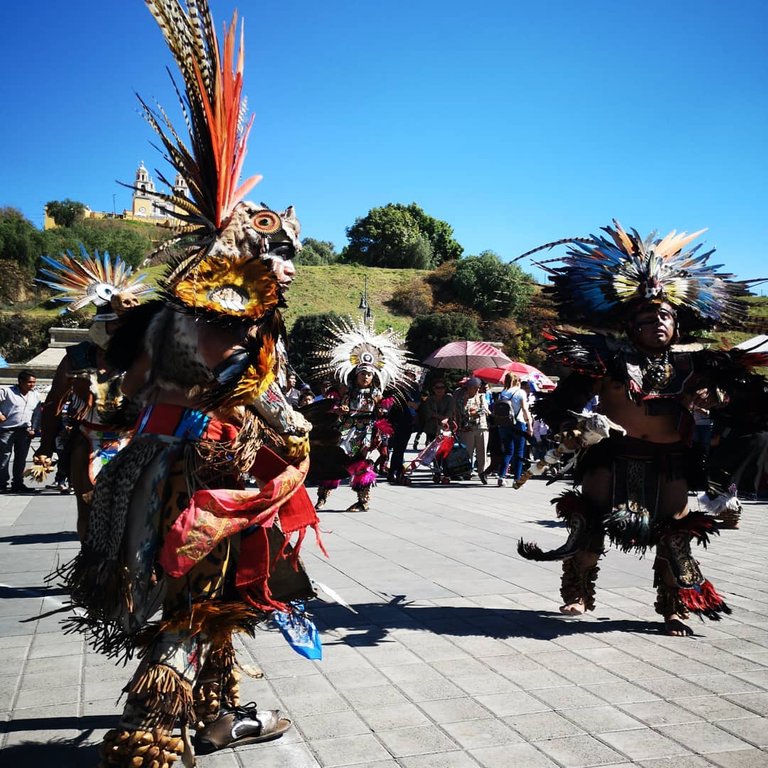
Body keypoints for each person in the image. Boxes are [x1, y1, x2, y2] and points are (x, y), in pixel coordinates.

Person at [57, 3, 321, 764]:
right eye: (277, 252)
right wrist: (295, 430)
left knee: (219, 602)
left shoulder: (180, 307)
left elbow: (140, 386)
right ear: (239, 246)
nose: (289, 269)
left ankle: (220, 707)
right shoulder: (220, 315)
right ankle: (151, 727)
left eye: (292, 255)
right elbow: (240, 395)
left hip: (164, 469)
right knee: (191, 603)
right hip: (196, 480)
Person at [517, 222, 767, 636]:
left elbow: (748, 405)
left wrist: (717, 399)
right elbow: (560, 404)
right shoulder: (603, 356)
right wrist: (576, 427)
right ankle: (577, 594)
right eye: (647, 315)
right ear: (631, 323)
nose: (658, 322)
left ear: (679, 323)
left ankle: (674, 607)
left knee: (676, 533)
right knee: (589, 523)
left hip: (670, 460)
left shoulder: (699, 362)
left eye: (665, 314)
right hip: (611, 454)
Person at [34, 247, 152, 539]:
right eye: (119, 324)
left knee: (138, 511)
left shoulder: (143, 358)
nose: (127, 331)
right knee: (87, 506)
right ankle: (91, 568)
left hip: (133, 440)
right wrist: (46, 447)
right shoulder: (77, 358)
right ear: (103, 323)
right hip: (89, 439)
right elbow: (53, 405)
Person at [310, 318, 410, 511]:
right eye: (363, 374)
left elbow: (383, 411)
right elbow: (333, 407)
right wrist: (339, 409)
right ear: (355, 375)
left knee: (363, 465)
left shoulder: (376, 394)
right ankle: (322, 497)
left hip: (365, 432)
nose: (366, 377)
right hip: (344, 430)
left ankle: (363, 501)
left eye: (369, 374)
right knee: (333, 462)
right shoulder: (346, 392)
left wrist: (380, 412)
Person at [0, 370, 41, 493]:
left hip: (25, 431)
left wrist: (34, 428)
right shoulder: (7, 392)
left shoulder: (35, 395)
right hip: (6, 430)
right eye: (29, 382)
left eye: (34, 382)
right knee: (4, 458)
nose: (32, 385)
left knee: (21, 459)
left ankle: (18, 483)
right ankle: (2, 484)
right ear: (20, 382)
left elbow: (37, 413)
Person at [494, 373, 533, 486]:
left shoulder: (503, 393)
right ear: (518, 381)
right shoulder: (521, 392)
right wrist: (529, 424)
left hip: (504, 424)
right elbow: (525, 409)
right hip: (518, 424)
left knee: (508, 451)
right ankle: (517, 478)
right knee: (519, 452)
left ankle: (501, 476)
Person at [455, 376, 490, 483]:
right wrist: (466, 406)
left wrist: (474, 412)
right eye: (474, 387)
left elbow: (485, 410)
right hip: (467, 429)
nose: (477, 389)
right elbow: (460, 412)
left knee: (482, 451)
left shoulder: (481, 397)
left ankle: (482, 472)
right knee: (467, 452)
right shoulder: (462, 398)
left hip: (481, 427)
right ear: (469, 387)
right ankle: (467, 471)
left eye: (478, 387)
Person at [421, 380, 457, 482]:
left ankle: (446, 473)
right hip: (432, 429)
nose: (440, 390)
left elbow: (450, 411)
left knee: (445, 451)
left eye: (442, 387)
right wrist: (442, 417)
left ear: (445, 389)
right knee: (434, 452)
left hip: (446, 429)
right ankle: (437, 472)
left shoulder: (449, 399)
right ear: (434, 389)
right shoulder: (429, 400)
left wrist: (444, 418)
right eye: (437, 387)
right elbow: (428, 413)